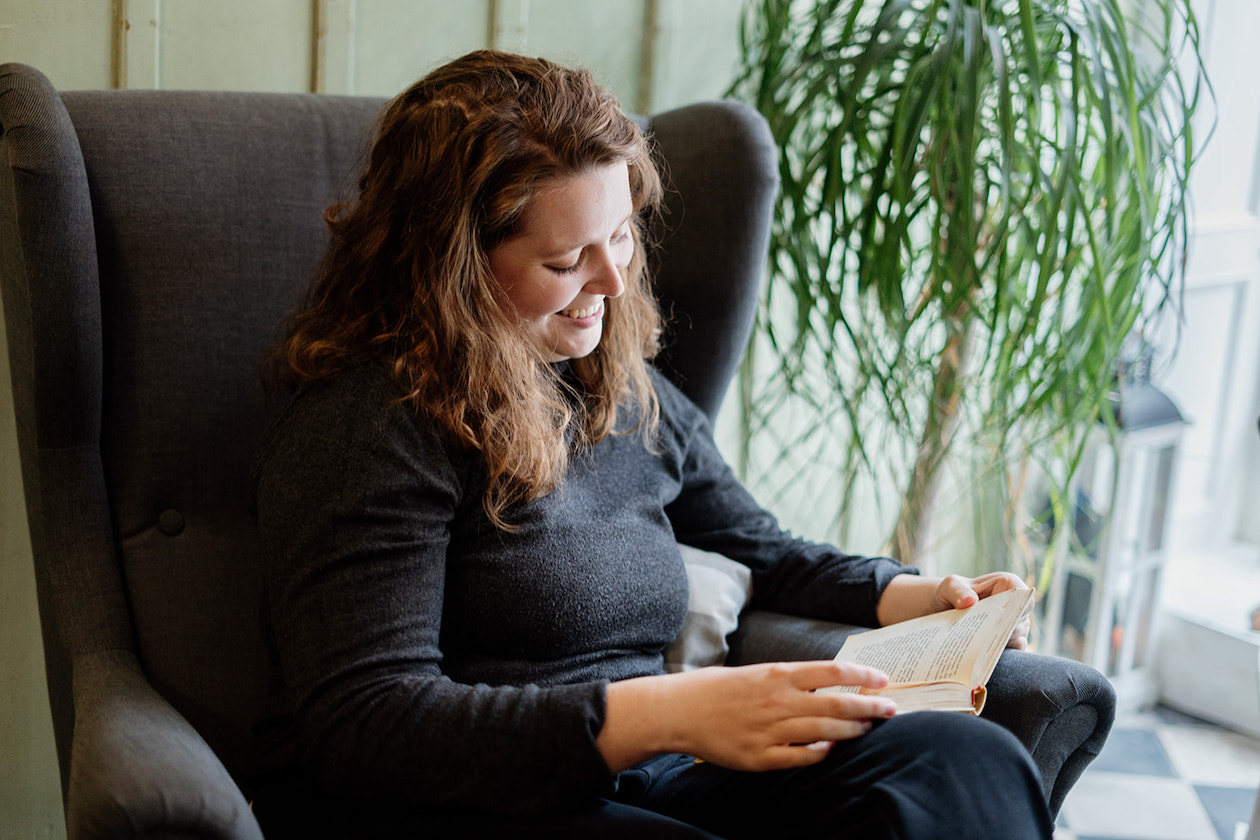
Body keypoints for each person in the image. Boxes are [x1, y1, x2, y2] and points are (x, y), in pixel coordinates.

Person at [250, 49, 1052, 839]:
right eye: (566, 260)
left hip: (655, 772)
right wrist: (668, 711)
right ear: (451, 269)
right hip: (470, 800)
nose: (612, 281)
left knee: (962, 758)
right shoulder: (370, 424)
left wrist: (920, 597)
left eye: (621, 236)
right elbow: (367, 723)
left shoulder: (613, 384)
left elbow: (758, 546)